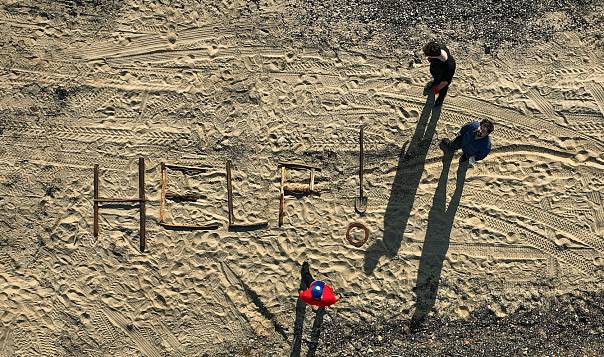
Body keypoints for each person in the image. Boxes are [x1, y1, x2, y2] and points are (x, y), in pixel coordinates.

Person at [423, 41, 456, 107]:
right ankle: (434, 82)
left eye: (428, 56)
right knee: (436, 80)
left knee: (443, 90)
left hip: (443, 78)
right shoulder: (439, 47)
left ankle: (440, 99)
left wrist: (438, 88)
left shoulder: (450, 66)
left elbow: (446, 81)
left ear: (434, 56)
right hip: (436, 74)